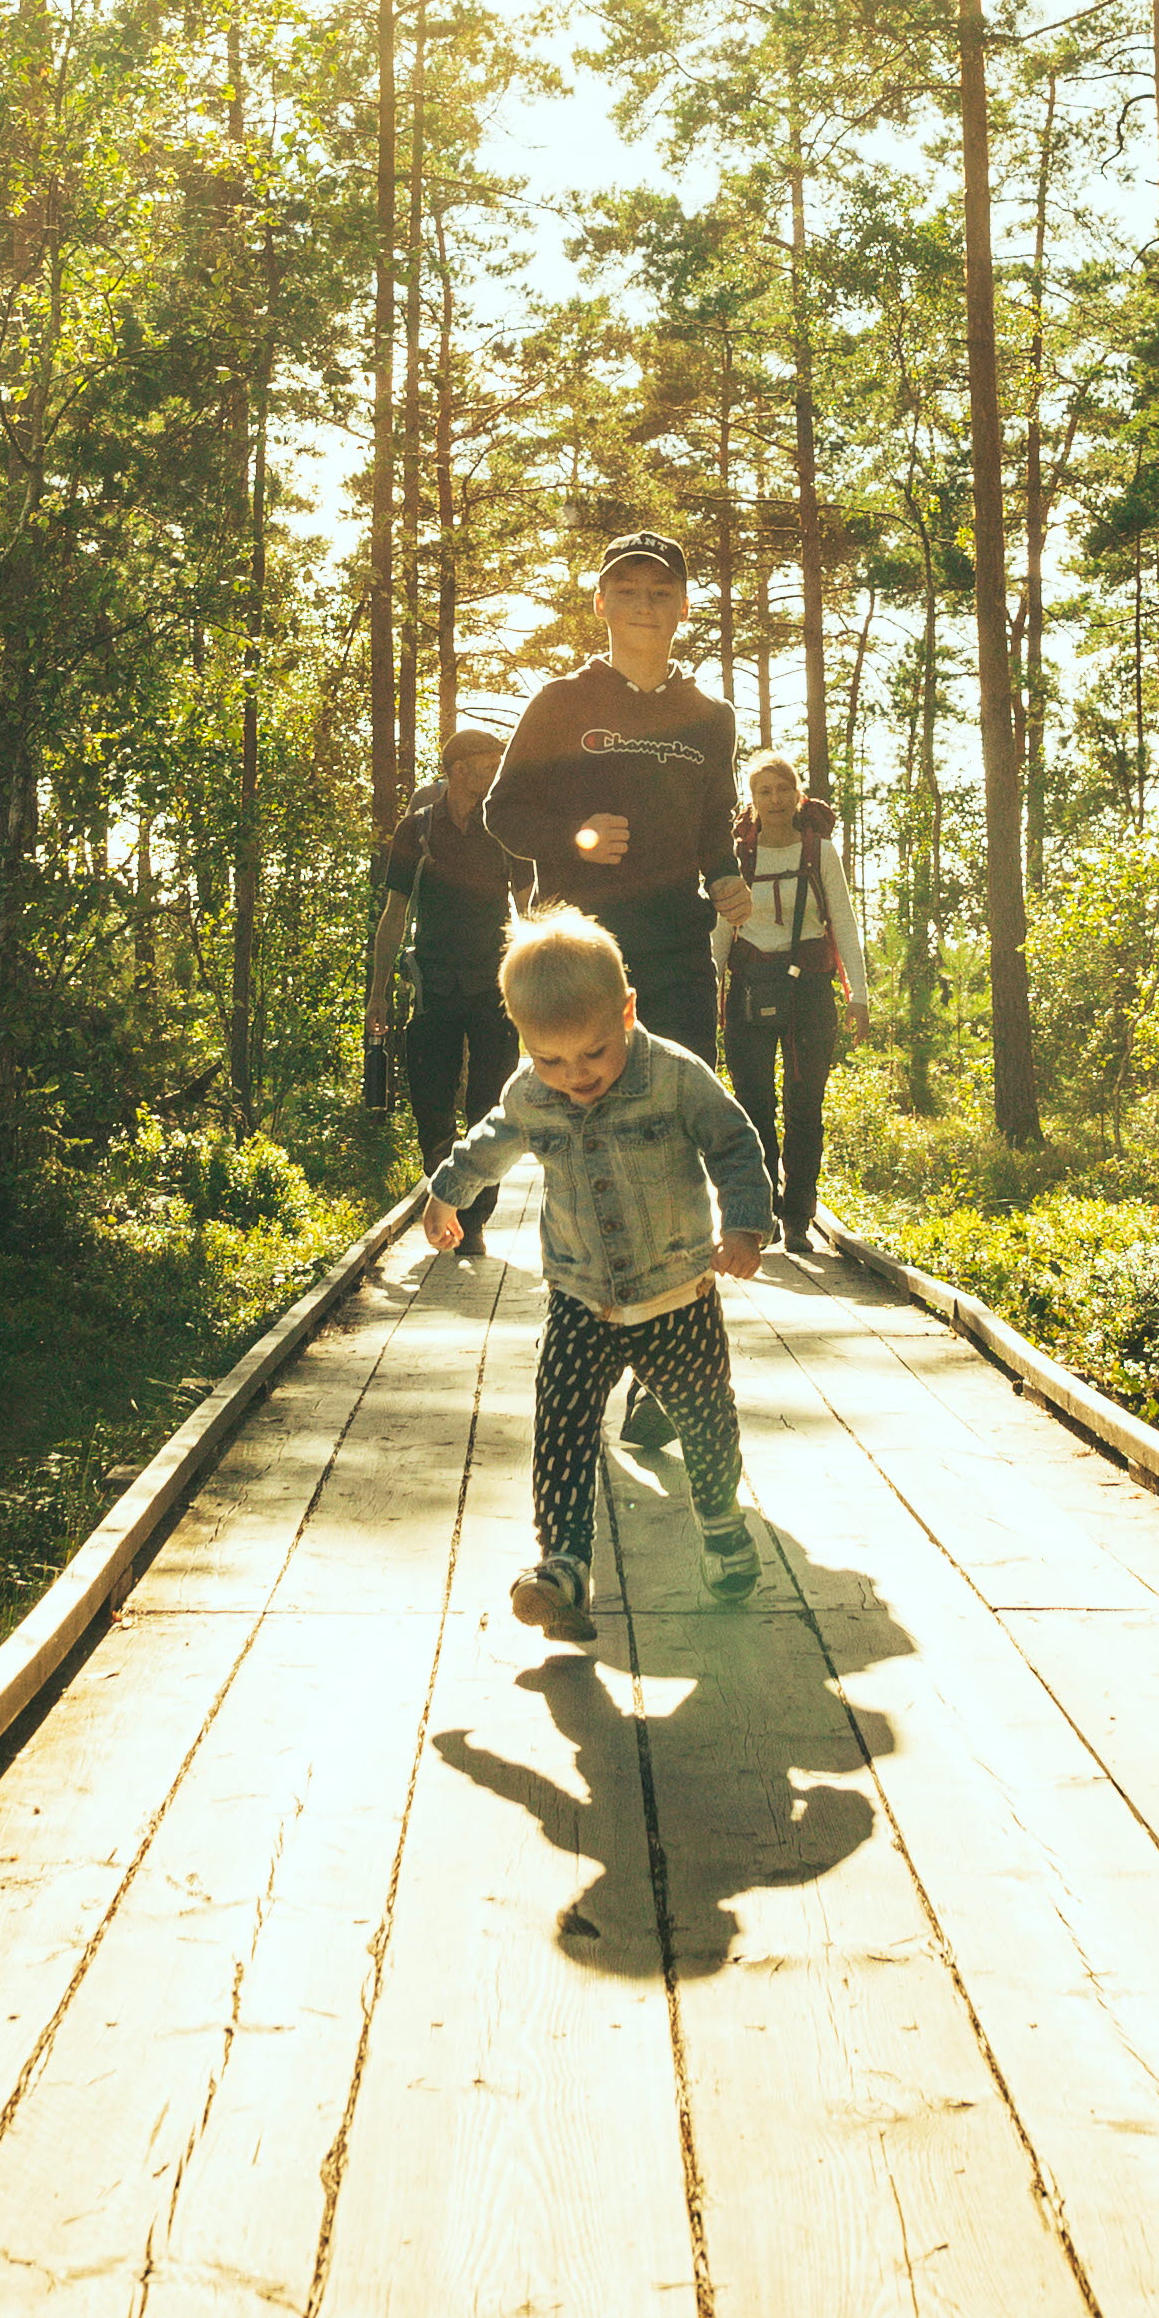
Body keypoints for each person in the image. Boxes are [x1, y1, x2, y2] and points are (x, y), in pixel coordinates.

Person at [420, 903, 773, 1640]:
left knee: (707, 1424)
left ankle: (720, 1525)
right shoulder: (531, 1090)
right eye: (550, 1059)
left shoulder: (675, 1077)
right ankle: (565, 1566)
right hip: (581, 1296)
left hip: (678, 1293)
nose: (573, 1076)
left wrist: (745, 1223)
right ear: (524, 1040)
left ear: (627, 1012)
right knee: (564, 1429)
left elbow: (735, 1144)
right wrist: (447, 1193)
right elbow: (490, 1140)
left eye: (592, 1053)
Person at [483, 529, 752, 1064]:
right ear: (601, 603)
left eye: (661, 592)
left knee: (679, 1117)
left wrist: (724, 874)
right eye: (627, 591)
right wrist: (575, 838)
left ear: (684, 607)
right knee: (577, 1121)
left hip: (679, 955)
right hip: (575, 954)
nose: (644, 606)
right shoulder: (560, 701)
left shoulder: (712, 717)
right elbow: (503, 812)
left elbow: (712, 825)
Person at [366, 725, 526, 1261]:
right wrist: (378, 992)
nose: (495, 775)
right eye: (486, 767)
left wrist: (540, 982)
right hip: (432, 983)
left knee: (491, 1105)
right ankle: (444, 1190)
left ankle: (474, 1223)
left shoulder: (508, 831)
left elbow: (531, 912)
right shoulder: (418, 830)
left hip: (494, 986)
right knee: (431, 1101)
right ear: (459, 770)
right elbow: (393, 915)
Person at [716, 751, 869, 1249]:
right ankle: (764, 1214)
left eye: (783, 789)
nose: (775, 799)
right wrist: (708, 993)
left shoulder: (819, 851)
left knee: (805, 1105)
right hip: (750, 987)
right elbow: (720, 932)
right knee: (753, 1104)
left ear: (798, 795)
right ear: (752, 801)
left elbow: (842, 921)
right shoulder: (737, 858)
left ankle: (799, 1218)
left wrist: (858, 996)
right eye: (764, 791)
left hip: (809, 991)